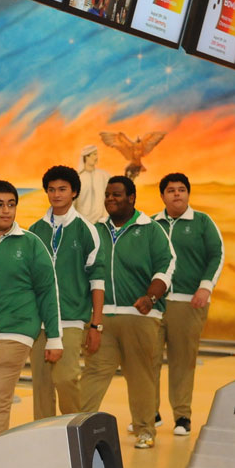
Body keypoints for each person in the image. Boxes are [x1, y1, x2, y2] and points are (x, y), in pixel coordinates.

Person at [78, 175, 175, 449]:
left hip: (140, 316)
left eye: (116, 195)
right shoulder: (96, 230)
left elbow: (166, 266)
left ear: (131, 198)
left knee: (141, 375)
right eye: (107, 195)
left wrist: (151, 297)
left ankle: (145, 430)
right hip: (102, 316)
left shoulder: (150, 229)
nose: (110, 199)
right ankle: (77, 427)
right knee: (94, 374)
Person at [0, 180, 62, 443]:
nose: (6, 210)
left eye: (11, 204)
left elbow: (47, 290)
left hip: (14, 333)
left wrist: (54, 337)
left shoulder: (30, 243)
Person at [29, 166, 104, 420]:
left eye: (62, 189)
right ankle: (42, 435)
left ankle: (74, 428)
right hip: (39, 320)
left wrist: (96, 325)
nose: (56, 194)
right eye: (51, 189)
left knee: (66, 378)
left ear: (74, 192)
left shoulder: (87, 230)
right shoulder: (35, 230)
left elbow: (97, 281)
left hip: (71, 318)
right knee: (41, 386)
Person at [151, 173, 223, 436]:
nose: (177, 194)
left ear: (188, 194)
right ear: (163, 196)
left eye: (181, 189)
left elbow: (216, 254)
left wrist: (206, 286)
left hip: (188, 302)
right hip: (154, 305)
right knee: (147, 360)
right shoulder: (151, 224)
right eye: (171, 190)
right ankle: (149, 414)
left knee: (182, 362)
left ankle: (182, 417)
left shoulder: (203, 222)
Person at [74, 144, 109, 224]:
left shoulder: (104, 176)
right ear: (86, 157)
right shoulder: (77, 178)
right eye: (94, 154)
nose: (96, 157)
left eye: (97, 154)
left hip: (101, 222)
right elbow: (72, 202)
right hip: (82, 223)